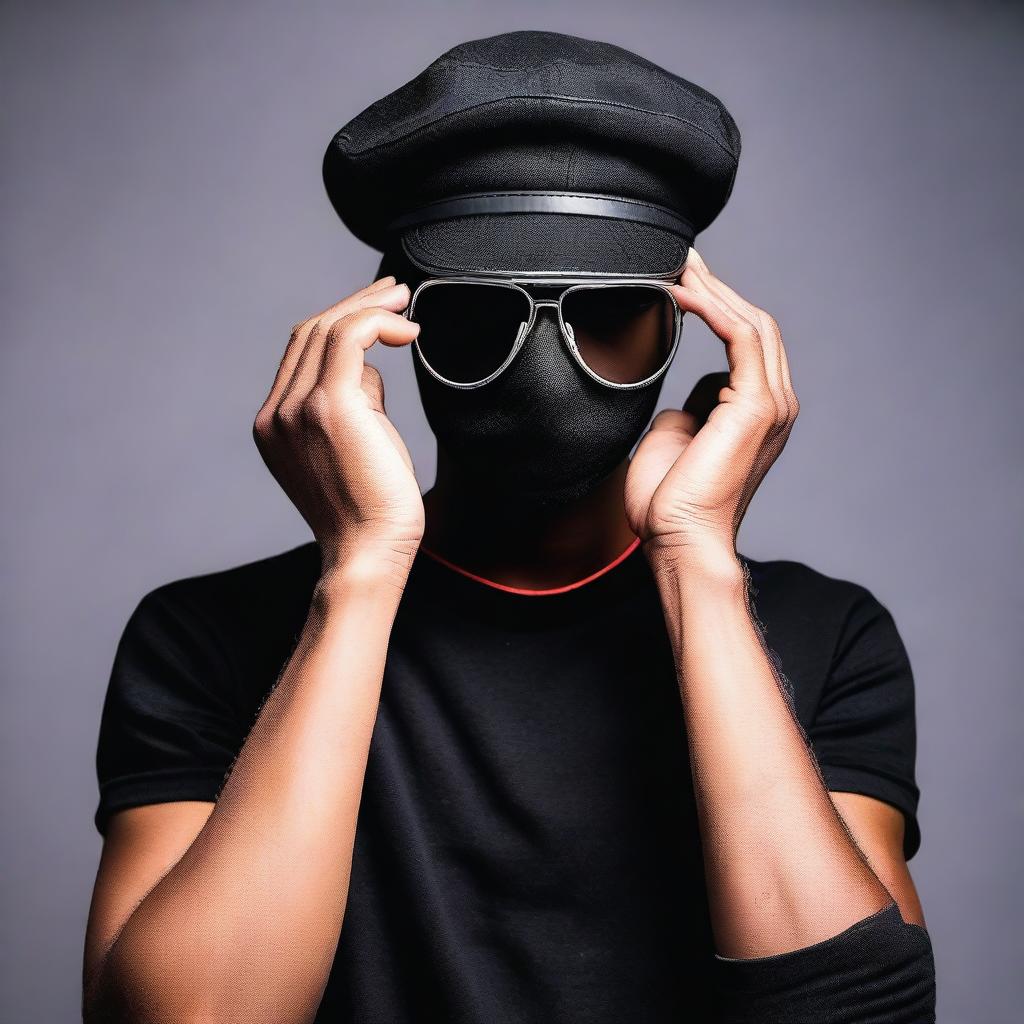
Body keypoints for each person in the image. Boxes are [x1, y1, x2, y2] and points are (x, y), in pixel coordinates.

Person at [82, 30, 936, 1024]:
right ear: (393, 326)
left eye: (611, 310)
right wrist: (360, 573)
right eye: (481, 310)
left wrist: (696, 565)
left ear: (680, 325)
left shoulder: (819, 636)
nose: (546, 370)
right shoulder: (209, 639)